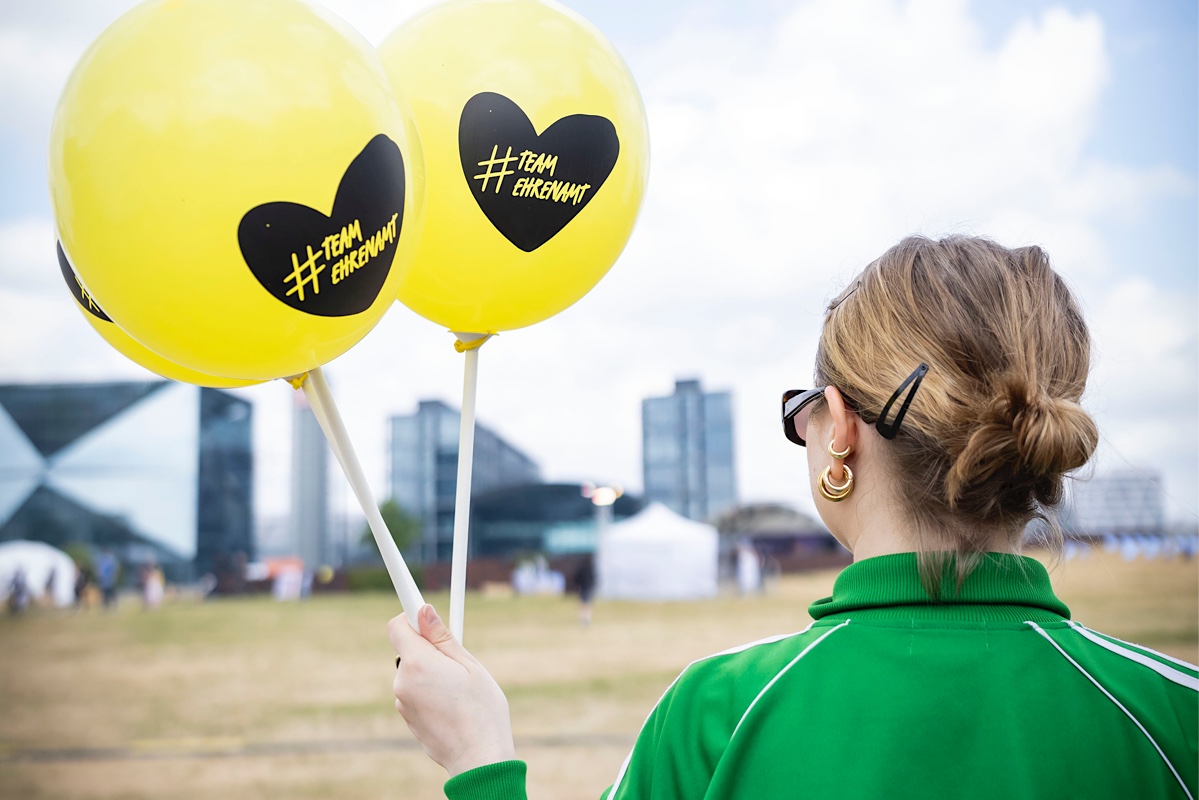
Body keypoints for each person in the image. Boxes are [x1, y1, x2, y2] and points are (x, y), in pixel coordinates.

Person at [387, 236, 1199, 799]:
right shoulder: (1176, 715)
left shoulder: (720, 712)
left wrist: (479, 757)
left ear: (838, 426)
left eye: (802, 410)